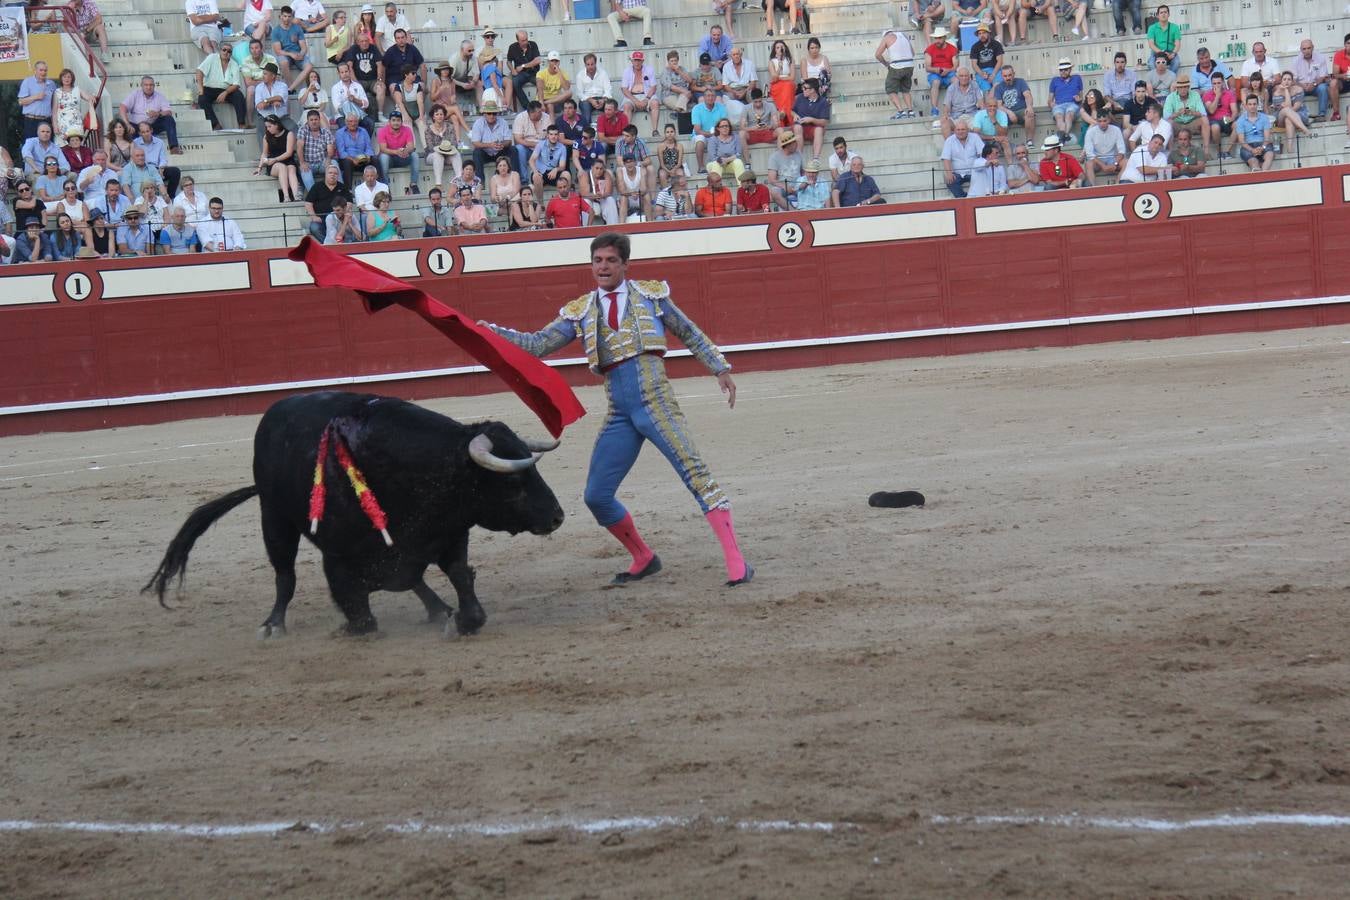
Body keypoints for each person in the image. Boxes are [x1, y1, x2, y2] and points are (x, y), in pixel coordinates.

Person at [480, 231, 753, 586]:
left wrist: (720, 367)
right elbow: (538, 344)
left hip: (656, 402)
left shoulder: (651, 296)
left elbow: (689, 332)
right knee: (596, 495)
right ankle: (643, 556)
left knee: (695, 474)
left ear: (624, 264)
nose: (603, 267)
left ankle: (737, 561)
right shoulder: (582, 310)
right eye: (597, 261)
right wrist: (492, 333)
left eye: (610, 260)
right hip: (620, 413)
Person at [120, 76, 182, 154]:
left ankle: (174, 147)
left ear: (154, 86)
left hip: (152, 126)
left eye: (151, 85)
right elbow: (122, 107)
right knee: (125, 128)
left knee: (169, 119)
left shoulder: (159, 96)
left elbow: (168, 112)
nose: (149, 87)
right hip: (136, 126)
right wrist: (127, 123)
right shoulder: (135, 94)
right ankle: (131, 153)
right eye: (146, 85)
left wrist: (158, 113)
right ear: (141, 85)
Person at [197, 41, 249, 131]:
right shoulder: (212, 57)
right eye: (224, 50)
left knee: (239, 96)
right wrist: (201, 90)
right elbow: (199, 71)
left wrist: (225, 92)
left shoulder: (234, 64)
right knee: (202, 99)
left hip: (226, 89)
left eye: (229, 51)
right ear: (220, 51)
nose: (226, 52)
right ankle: (215, 124)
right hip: (209, 88)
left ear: (231, 54)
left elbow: (236, 84)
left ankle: (241, 123)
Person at [339, 30, 385, 120]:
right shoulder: (353, 49)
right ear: (358, 42)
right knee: (354, 91)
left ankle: (380, 114)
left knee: (381, 88)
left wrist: (379, 80)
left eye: (366, 41)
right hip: (359, 80)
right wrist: (355, 82)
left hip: (373, 80)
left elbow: (379, 65)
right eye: (362, 41)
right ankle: (359, 114)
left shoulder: (373, 48)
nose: (364, 43)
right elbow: (349, 66)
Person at [257, 114, 302, 202]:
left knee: (291, 169)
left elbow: (289, 153)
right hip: (274, 164)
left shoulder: (289, 134)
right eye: (266, 127)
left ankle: (296, 195)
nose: (268, 129)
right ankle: (286, 196)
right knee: (282, 167)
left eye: (270, 126)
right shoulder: (266, 137)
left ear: (276, 125)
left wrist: (275, 159)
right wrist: (259, 167)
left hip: (287, 160)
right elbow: (264, 153)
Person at [1164, 73, 1209, 158]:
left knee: (1204, 120)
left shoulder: (1195, 95)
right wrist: (1178, 113)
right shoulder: (1170, 97)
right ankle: (1170, 152)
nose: (1183, 89)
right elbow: (1166, 116)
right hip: (1178, 123)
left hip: (1192, 122)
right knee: (1168, 123)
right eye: (1181, 87)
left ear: (1188, 87)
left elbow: (1203, 113)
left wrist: (1192, 112)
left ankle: (1206, 151)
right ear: (1177, 88)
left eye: (1185, 87)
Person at [133, 120, 182, 198]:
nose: (146, 134)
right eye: (143, 132)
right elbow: (135, 159)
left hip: (157, 168)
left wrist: (161, 167)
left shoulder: (159, 142)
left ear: (151, 130)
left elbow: (163, 158)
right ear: (139, 133)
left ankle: (170, 196)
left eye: (147, 131)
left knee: (175, 172)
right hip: (144, 168)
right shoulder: (135, 143)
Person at [304, 161, 351, 239]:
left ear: (338, 175)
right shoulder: (317, 186)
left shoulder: (342, 187)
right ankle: (328, 245)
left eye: (335, 174)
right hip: (321, 218)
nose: (333, 175)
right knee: (314, 227)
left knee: (348, 226)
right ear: (326, 174)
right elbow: (308, 203)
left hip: (338, 218)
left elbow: (349, 203)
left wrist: (343, 214)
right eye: (330, 173)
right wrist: (314, 217)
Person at [272, 5, 314, 91]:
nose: (287, 18)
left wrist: (301, 54)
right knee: (283, 62)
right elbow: (278, 51)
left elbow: (304, 47)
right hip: (286, 54)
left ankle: (291, 88)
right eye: (285, 16)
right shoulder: (276, 31)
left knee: (309, 66)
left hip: (297, 54)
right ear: (280, 16)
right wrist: (291, 54)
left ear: (292, 17)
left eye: (289, 16)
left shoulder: (297, 28)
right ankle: (290, 86)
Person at [376, 109, 420, 193]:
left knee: (415, 155)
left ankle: (413, 184)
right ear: (389, 121)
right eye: (393, 120)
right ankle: (385, 186)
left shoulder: (407, 129)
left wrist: (405, 151)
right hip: (389, 159)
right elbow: (383, 149)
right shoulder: (382, 131)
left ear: (401, 121)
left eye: (398, 120)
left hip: (402, 157)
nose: (396, 123)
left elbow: (411, 146)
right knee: (383, 157)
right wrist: (396, 152)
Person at [253, 62, 296, 148]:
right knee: (261, 130)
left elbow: (280, 98)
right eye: (263, 73)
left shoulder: (282, 86)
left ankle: (294, 153)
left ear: (272, 76)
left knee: (295, 130)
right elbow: (259, 106)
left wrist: (266, 101)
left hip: (281, 117)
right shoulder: (259, 87)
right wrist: (272, 101)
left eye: (265, 74)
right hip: (264, 117)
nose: (263, 76)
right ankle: (265, 156)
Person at [239, 39, 280, 126]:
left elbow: (277, 77)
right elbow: (248, 82)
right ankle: (250, 121)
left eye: (256, 48)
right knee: (250, 90)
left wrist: (263, 82)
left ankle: (280, 118)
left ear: (261, 49)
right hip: (258, 86)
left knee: (280, 87)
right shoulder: (246, 61)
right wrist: (264, 81)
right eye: (252, 48)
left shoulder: (270, 59)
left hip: (271, 84)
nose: (254, 50)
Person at [940, 119, 983, 198]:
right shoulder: (949, 140)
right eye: (958, 130)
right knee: (950, 181)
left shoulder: (975, 137)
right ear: (955, 131)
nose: (960, 132)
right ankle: (964, 198)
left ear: (968, 130)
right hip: (958, 173)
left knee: (983, 179)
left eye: (963, 129)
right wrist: (949, 173)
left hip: (974, 171)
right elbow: (946, 159)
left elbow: (982, 154)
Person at [1082, 108, 1126, 185]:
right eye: (1100, 121)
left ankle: (1118, 183)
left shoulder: (1116, 130)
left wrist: (1115, 163)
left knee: (1127, 162)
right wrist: (1103, 166)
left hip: (1112, 158)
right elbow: (1089, 154)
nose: (1102, 123)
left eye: (1105, 121)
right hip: (1097, 159)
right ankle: (1093, 187)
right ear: (1097, 120)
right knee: (1088, 164)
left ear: (1109, 120)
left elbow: (1122, 150)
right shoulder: (1090, 132)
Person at [621, 50, 660, 137]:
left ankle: (655, 130)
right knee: (626, 106)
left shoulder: (649, 69)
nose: (637, 62)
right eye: (635, 60)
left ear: (642, 61)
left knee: (655, 103)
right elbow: (624, 89)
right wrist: (635, 101)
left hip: (647, 95)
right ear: (632, 61)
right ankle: (627, 133)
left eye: (639, 60)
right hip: (632, 96)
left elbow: (653, 86)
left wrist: (646, 99)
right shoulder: (627, 71)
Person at [1270, 70, 1314, 146]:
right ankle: (1304, 129)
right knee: (1286, 110)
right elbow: (1289, 108)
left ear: (1293, 81)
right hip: (1280, 118)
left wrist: (1288, 111)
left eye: (1289, 79)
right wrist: (1286, 91)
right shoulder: (1276, 93)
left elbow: (1295, 108)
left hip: (1299, 114)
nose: (1287, 81)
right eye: (1284, 79)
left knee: (1288, 119)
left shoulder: (1299, 90)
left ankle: (1290, 149)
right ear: (1281, 81)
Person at [471, 100, 516, 174]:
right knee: (477, 152)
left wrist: (502, 145)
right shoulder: (478, 123)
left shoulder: (503, 122)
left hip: (500, 152)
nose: (491, 116)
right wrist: (489, 145)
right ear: (484, 114)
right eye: (489, 113)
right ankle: (480, 183)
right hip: (485, 153)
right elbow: (475, 143)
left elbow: (508, 141)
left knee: (513, 150)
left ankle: (515, 177)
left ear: (497, 114)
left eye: (494, 113)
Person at [996, 64, 1035, 147]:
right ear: (1002, 76)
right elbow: (999, 106)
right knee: (997, 120)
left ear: (1014, 74)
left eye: (1010, 75)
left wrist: (1029, 107)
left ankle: (1029, 141)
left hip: (1021, 110)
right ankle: (1002, 145)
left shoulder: (1021, 82)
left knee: (1030, 114)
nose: (1008, 78)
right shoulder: (999, 87)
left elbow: (1027, 95)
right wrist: (1009, 112)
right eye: (1005, 76)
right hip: (1007, 113)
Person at [297, 108, 335, 191]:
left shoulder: (326, 132)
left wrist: (328, 159)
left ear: (319, 120)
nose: (314, 122)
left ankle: (339, 192)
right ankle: (314, 196)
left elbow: (330, 149)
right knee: (305, 172)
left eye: (316, 119)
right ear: (307, 121)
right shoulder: (303, 130)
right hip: (308, 163)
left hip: (323, 162)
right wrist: (302, 162)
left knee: (334, 164)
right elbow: (299, 147)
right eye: (311, 120)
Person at [923, 27, 957, 119]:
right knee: (935, 82)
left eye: (939, 38)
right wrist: (936, 69)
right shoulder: (929, 49)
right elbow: (927, 67)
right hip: (935, 72)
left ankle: (955, 107)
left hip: (949, 72)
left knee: (956, 81)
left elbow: (955, 66)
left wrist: (948, 70)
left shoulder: (952, 48)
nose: (937, 40)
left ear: (944, 37)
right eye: (936, 38)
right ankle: (934, 108)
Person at [18, 61, 57, 142]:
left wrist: (54, 123)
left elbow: (54, 105)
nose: (43, 72)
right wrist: (35, 97)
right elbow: (21, 101)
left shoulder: (51, 84)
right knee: (32, 146)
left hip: (46, 120)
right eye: (41, 70)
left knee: (48, 146)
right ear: (35, 70)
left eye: (45, 70)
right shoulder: (27, 82)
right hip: (31, 121)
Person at [792, 77, 831, 159]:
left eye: (805, 88)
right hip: (800, 127)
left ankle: (815, 159)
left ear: (812, 90)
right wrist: (794, 115)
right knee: (797, 127)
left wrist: (811, 120)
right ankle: (799, 159)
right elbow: (791, 111)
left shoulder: (823, 102)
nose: (803, 90)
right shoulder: (799, 98)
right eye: (803, 88)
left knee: (819, 129)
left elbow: (825, 122)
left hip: (813, 129)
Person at [331, 61, 375, 134]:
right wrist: (351, 117)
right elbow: (337, 107)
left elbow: (366, 104)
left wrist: (354, 100)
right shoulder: (335, 88)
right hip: (343, 116)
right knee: (345, 126)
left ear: (349, 71)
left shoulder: (358, 86)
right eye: (342, 72)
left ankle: (363, 144)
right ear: (338, 74)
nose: (345, 74)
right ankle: (350, 145)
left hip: (359, 115)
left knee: (369, 123)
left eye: (346, 71)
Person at [336, 111, 378, 186]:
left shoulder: (363, 131)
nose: (353, 123)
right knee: (346, 161)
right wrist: (353, 159)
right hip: (349, 161)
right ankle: (348, 190)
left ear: (358, 122)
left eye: (355, 121)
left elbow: (368, 148)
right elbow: (342, 152)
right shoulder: (340, 133)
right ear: (346, 122)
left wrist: (368, 156)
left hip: (362, 160)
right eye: (350, 121)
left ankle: (381, 187)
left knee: (374, 158)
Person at [1291, 40, 1331, 118]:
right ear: (1301, 49)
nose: (1306, 51)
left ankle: (1322, 115)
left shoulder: (1321, 58)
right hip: (1301, 87)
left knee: (1323, 88)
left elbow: (1323, 77)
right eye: (1304, 49)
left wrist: (1314, 84)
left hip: (1316, 86)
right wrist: (1302, 86)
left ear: (1313, 47)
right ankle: (1299, 116)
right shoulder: (1295, 60)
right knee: (1294, 89)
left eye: (1309, 48)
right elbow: (1293, 80)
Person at [425, 110, 464, 190]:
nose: (439, 116)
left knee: (456, 154)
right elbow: (430, 147)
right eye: (437, 114)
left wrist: (447, 150)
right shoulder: (428, 130)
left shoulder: (450, 127)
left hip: (448, 154)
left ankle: (459, 180)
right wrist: (442, 149)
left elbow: (453, 143)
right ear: (433, 117)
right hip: (432, 155)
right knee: (438, 155)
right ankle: (438, 184)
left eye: (441, 114)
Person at [691, 87, 728, 171]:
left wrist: (716, 134)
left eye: (712, 96)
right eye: (708, 96)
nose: (710, 98)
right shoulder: (696, 108)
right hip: (701, 134)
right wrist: (711, 134)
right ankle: (701, 167)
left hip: (717, 133)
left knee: (724, 137)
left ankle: (721, 165)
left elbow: (725, 125)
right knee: (700, 140)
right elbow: (697, 130)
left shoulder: (721, 107)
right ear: (703, 97)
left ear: (715, 97)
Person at [1049, 59, 1084, 146]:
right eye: (1061, 70)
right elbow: (1050, 99)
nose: (1063, 72)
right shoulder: (1054, 80)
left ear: (1070, 69)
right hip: (1059, 105)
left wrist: (1079, 99)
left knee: (1069, 114)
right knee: (1059, 116)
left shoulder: (1077, 78)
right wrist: (1051, 104)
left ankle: (1062, 137)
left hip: (1072, 104)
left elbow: (1081, 97)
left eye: (1066, 69)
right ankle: (1064, 137)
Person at [52, 68, 93, 142]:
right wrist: (55, 126)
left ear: (72, 79)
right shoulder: (57, 92)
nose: (66, 79)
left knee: (77, 143)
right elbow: (54, 111)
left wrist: (92, 97)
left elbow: (88, 98)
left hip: (76, 122)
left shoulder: (77, 90)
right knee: (64, 146)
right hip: (62, 123)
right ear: (61, 78)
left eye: (69, 77)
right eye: (64, 77)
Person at [940, 67, 981, 138]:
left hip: (972, 116)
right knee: (944, 122)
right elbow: (947, 105)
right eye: (961, 76)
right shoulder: (951, 88)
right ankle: (949, 147)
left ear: (969, 77)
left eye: (966, 76)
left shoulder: (975, 85)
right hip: (956, 117)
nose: (964, 78)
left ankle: (977, 148)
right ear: (957, 77)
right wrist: (945, 114)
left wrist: (982, 112)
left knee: (980, 123)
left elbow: (980, 101)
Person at [512, 100, 551, 175]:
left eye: (540, 111)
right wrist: (534, 144)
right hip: (527, 148)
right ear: (531, 113)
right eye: (538, 112)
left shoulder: (546, 117)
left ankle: (544, 176)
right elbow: (518, 139)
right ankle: (524, 179)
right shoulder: (520, 118)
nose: (541, 113)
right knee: (520, 148)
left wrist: (540, 146)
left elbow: (552, 135)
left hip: (543, 148)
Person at [529, 125, 569, 198]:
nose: (553, 137)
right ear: (547, 135)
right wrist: (535, 172)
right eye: (551, 134)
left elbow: (562, 166)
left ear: (558, 135)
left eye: (555, 134)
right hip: (540, 172)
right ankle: (541, 205)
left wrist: (556, 169)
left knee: (566, 174)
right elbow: (531, 160)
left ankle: (565, 201)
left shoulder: (562, 148)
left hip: (552, 173)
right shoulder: (540, 144)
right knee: (536, 177)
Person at [720, 46, 757, 125]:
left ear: (741, 55)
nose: (736, 56)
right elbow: (725, 85)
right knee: (726, 99)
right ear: (731, 56)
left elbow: (753, 82)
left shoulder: (749, 63)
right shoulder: (726, 66)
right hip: (732, 89)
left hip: (746, 88)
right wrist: (734, 92)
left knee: (751, 95)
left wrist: (744, 91)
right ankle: (731, 123)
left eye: (737, 54)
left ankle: (754, 119)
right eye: (734, 55)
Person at [575, 53, 613, 126]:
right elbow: (579, 93)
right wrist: (591, 100)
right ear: (585, 65)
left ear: (596, 63)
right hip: (587, 99)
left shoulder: (603, 73)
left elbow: (608, 90)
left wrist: (603, 100)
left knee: (611, 105)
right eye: (588, 64)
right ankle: (588, 132)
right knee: (585, 107)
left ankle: (609, 129)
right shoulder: (580, 75)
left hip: (602, 97)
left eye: (592, 64)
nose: (590, 67)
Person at [965, 23, 1004, 96]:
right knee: (986, 90)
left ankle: (990, 103)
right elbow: (974, 64)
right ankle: (989, 104)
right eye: (979, 34)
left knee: (997, 85)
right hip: (981, 71)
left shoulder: (996, 44)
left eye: (984, 33)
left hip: (995, 69)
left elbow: (1000, 61)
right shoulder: (975, 46)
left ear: (988, 33)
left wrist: (993, 74)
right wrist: (981, 74)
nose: (981, 35)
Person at [580, 157, 618, 225]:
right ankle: (585, 229)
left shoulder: (606, 174)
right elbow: (584, 193)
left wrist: (602, 195)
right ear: (592, 167)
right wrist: (595, 195)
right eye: (596, 168)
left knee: (610, 200)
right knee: (585, 201)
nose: (599, 171)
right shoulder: (585, 175)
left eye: (601, 169)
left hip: (602, 198)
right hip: (591, 199)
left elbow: (608, 192)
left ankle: (613, 226)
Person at [765, 41, 796, 125]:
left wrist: (780, 79)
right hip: (776, 85)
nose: (780, 49)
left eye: (782, 47)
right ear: (774, 50)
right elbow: (774, 78)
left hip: (788, 83)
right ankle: (789, 117)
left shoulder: (790, 60)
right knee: (786, 87)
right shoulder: (771, 62)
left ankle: (783, 113)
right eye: (777, 47)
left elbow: (792, 77)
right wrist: (779, 67)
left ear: (785, 48)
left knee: (788, 86)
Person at [659, 50, 694, 121]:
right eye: (671, 61)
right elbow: (671, 87)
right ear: (668, 62)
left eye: (675, 60)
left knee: (687, 96)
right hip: (669, 95)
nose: (674, 62)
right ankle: (680, 112)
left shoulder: (682, 69)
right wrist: (684, 91)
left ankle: (676, 112)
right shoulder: (665, 72)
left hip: (682, 95)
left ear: (678, 61)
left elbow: (690, 80)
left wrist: (679, 71)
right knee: (683, 108)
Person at [537, 51, 572, 118]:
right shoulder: (541, 73)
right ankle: (552, 127)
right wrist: (541, 102)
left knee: (569, 93)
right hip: (544, 99)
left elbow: (566, 88)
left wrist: (559, 72)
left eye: (556, 61)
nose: (554, 63)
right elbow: (540, 89)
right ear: (548, 62)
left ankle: (548, 102)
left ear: (559, 62)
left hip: (556, 100)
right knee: (550, 105)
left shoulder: (563, 73)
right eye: (552, 61)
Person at [1147, 5, 1181, 73]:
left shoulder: (1175, 27)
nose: (1163, 14)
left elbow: (1177, 44)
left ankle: (1169, 80)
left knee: (1176, 62)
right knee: (1151, 64)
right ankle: (1157, 80)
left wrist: (1173, 53)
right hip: (1156, 52)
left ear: (1168, 14)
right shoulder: (1152, 28)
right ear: (1157, 15)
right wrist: (1162, 53)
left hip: (1171, 52)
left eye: (1165, 12)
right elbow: (1151, 44)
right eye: (1161, 12)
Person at [617, 156, 649, 220]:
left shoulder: (642, 169)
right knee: (623, 198)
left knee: (647, 196)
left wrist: (636, 193)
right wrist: (632, 193)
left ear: (635, 162)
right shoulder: (620, 171)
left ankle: (650, 222)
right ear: (624, 164)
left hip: (639, 197)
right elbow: (622, 190)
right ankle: (622, 225)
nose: (629, 164)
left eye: (631, 161)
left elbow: (644, 189)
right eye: (627, 162)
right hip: (627, 198)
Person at [654, 124, 684, 188]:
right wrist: (669, 171)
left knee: (680, 173)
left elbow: (679, 163)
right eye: (667, 132)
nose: (670, 134)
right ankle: (665, 194)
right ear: (665, 134)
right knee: (662, 174)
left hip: (677, 167)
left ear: (675, 133)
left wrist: (674, 169)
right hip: (664, 168)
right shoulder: (660, 146)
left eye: (671, 132)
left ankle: (680, 194)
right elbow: (661, 164)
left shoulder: (679, 146)